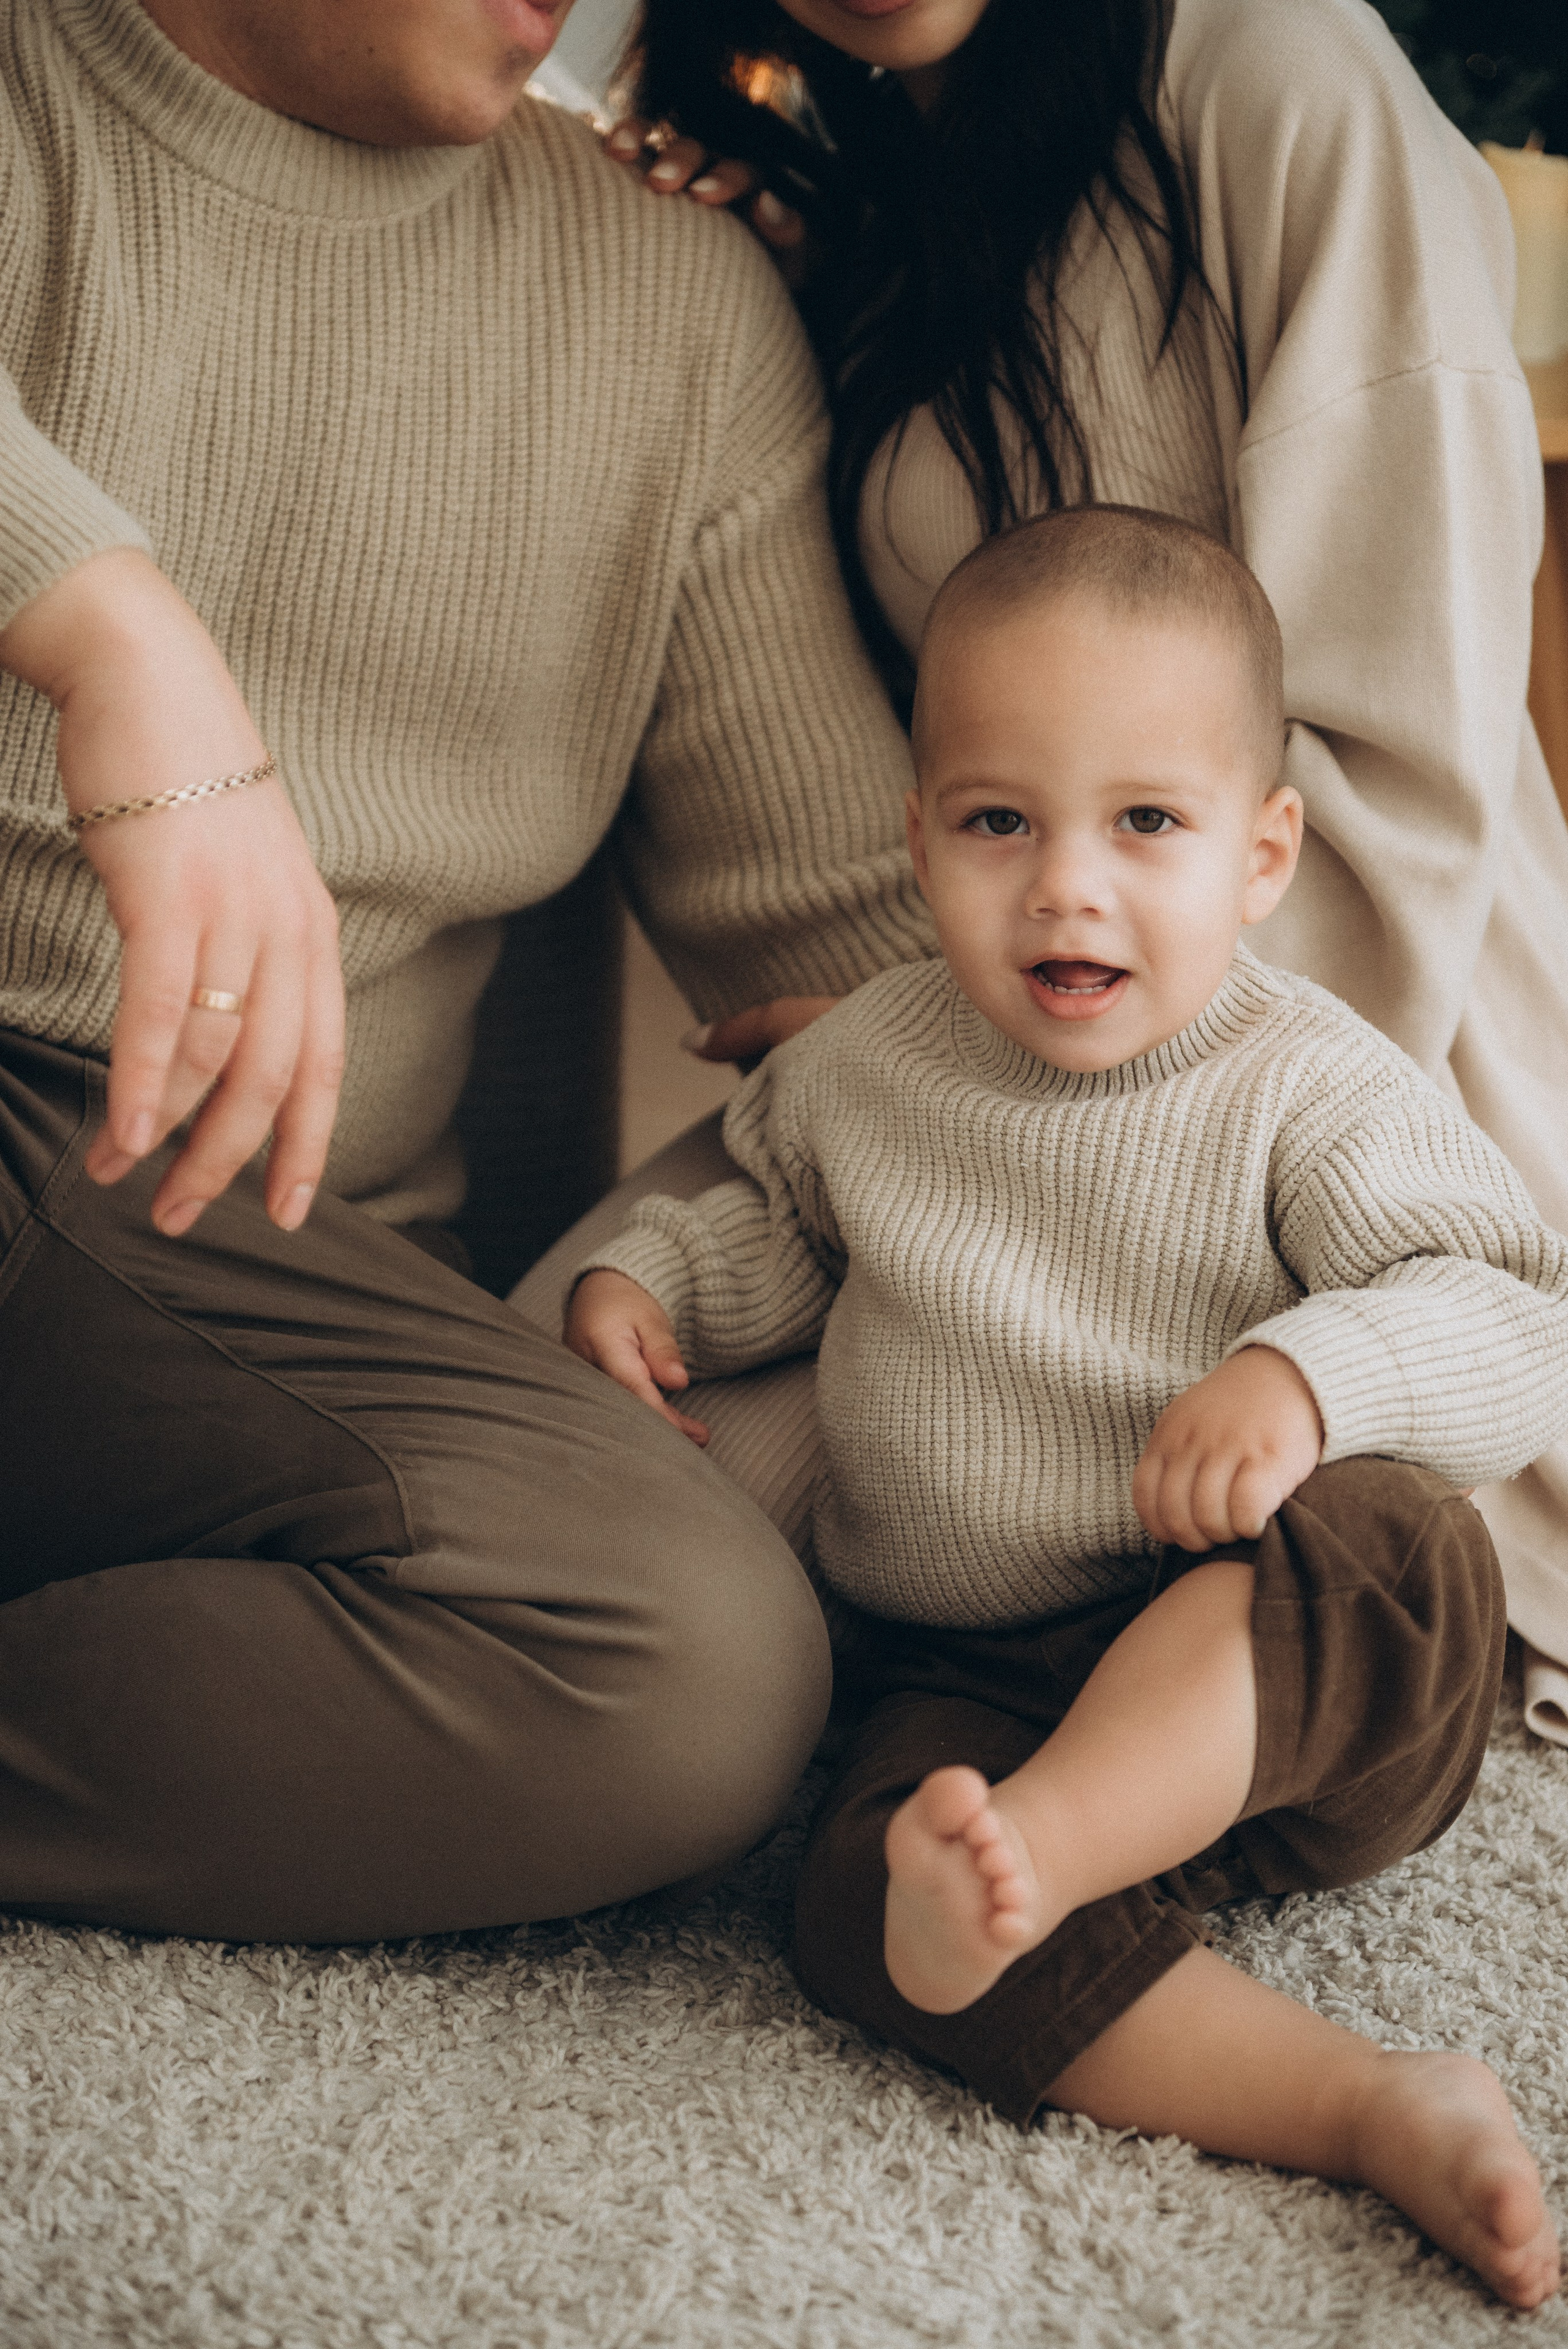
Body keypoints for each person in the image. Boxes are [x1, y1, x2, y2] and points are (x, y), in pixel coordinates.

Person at [0, 0, 940, 1939]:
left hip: (281, 1298)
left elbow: (850, 941)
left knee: (685, 1662)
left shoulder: (670, 297)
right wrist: (112, 632)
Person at [566, 505, 1567, 2310]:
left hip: (1284, 1679)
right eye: (999, 821)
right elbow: (778, 1235)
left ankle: (1054, 1844)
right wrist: (649, 1285)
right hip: (980, 1672)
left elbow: (1508, 1310)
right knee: (872, 1903)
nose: (1066, 887)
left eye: (1148, 825)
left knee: (1401, 1544)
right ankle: (1368, 2103)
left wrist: (1305, 1376)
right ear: (920, 832)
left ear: (1263, 856)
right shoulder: (865, 1064)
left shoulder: (1301, 1079)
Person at [605, 0, 1568, 1734]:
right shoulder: (899, 155)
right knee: (579, 1399)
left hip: (1324, 1078)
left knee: (726, 1576)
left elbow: (1406, 758)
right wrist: (775, 281)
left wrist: (956, 1046)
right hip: (1009, 1064)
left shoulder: (1274, 70)